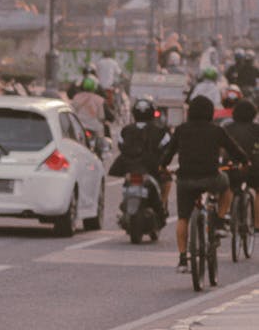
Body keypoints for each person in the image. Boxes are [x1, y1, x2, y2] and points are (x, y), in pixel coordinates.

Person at [159, 96, 250, 273]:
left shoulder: (181, 130)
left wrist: (163, 167)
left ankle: (183, 259)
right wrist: (245, 162)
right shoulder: (217, 130)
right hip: (211, 178)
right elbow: (234, 149)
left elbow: (168, 152)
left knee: (183, 218)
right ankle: (221, 220)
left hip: (185, 180)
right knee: (227, 187)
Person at [110, 97, 173, 220]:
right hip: (152, 168)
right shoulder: (160, 131)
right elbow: (167, 147)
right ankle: (162, 208)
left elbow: (121, 145)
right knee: (167, 180)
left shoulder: (126, 130)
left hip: (128, 167)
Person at [223, 99, 259, 232]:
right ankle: (256, 224)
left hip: (232, 167)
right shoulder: (257, 129)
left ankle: (227, 214)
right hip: (253, 168)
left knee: (230, 187)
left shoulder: (227, 128)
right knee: (257, 191)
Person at [70, 75, 110, 156]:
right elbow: (101, 117)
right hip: (94, 127)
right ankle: (104, 150)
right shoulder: (99, 99)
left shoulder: (76, 97)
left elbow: (72, 111)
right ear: (95, 87)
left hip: (79, 126)